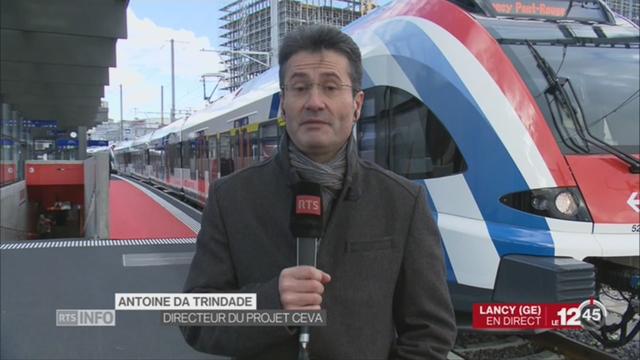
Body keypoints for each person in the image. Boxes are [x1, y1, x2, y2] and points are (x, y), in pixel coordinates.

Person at [181, 24, 456, 359]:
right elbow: (195, 318)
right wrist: (271, 303)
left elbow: (431, 332)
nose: (314, 102)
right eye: (300, 88)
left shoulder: (401, 202)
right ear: (284, 105)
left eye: (330, 87)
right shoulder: (231, 198)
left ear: (356, 105)